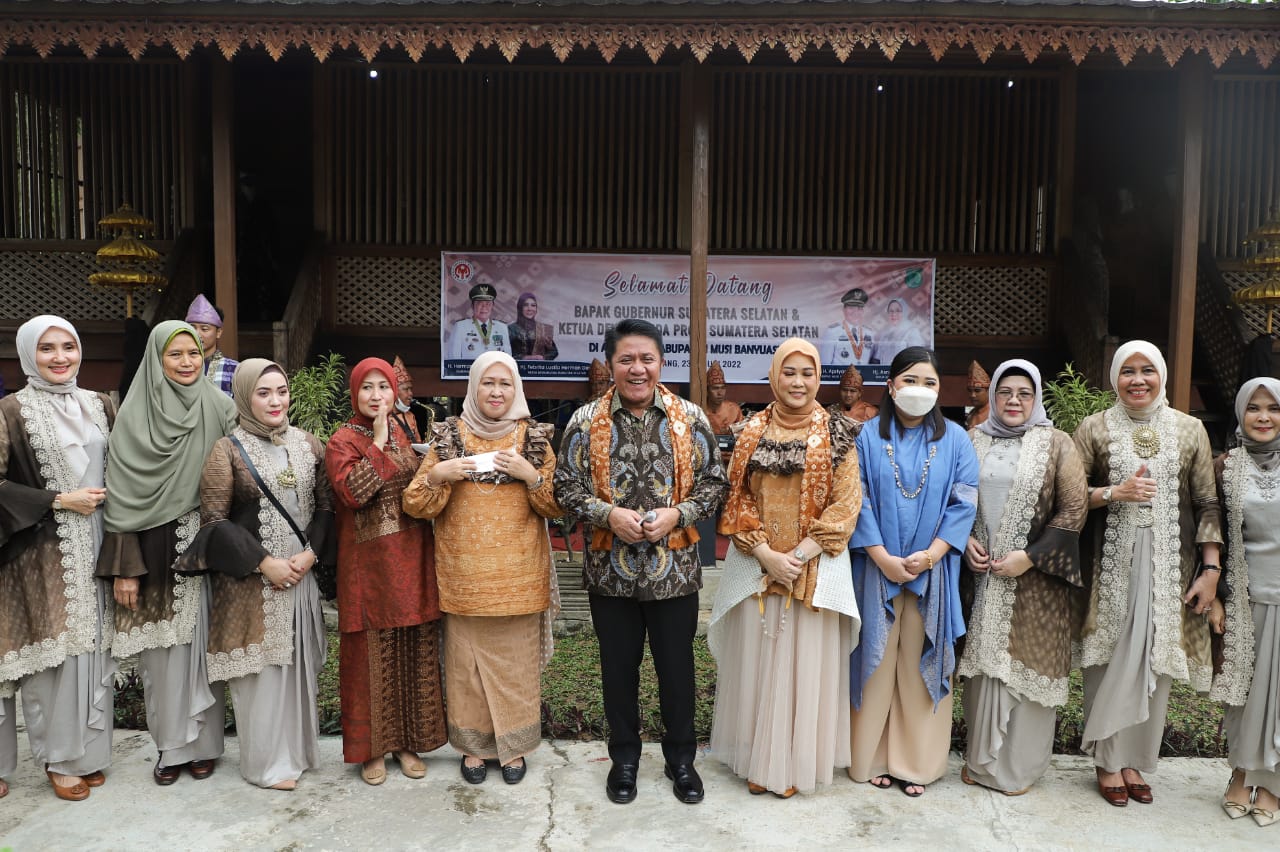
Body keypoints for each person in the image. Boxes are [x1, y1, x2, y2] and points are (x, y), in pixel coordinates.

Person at [554, 319, 728, 806]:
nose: (637, 369)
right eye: (626, 359)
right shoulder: (585, 420)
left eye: (646, 359)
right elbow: (564, 487)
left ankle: (681, 761)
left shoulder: (689, 417)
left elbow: (715, 483)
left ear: (661, 363)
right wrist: (606, 514)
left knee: (677, 672)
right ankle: (625, 759)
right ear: (611, 364)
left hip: (675, 571)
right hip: (610, 573)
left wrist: (678, 514)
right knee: (618, 671)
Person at [708, 339, 862, 798]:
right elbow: (736, 497)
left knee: (803, 667)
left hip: (812, 569)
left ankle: (794, 765)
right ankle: (758, 760)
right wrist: (766, 555)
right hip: (758, 568)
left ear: (818, 378)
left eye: (807, 373)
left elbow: (846, 504)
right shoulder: (750, 430)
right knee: (760, 664)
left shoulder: (838, 432)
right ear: (775, 377)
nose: (798, 382)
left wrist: (796, 558)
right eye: (789, 372)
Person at [1073, 340, 1222, 807]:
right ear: (1115, 378)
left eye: (1147, 370)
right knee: (1110, 656)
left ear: (1161, 375)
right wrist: (1113, 493)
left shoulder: (1190, 429)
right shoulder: (1094, 428)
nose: (1137, 380)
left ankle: (1135, 759)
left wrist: (1211, 570)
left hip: (1169, 568)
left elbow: (1207, 502)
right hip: (1108, 567)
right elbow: (1069, 496)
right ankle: (1107, 761)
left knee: (1155, 657)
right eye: (1127, 371)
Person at [404, 351, 561, 785]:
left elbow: (557, 505)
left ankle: (515, 748)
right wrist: (439, 474)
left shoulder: (533, 439)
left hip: (519, 578)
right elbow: (415, 503)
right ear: (473, 387)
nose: (496, 392)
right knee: (466, 668)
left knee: (516, 667)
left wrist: (531, 476)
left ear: (516, 389)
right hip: (464, 579)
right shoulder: (449, 437)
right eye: (488, 383)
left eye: (504, 383)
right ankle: (472, 749)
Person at [177, 359, 333, 790]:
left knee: (297, 670)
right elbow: (214, 520)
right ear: (245, 397)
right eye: (263, 393)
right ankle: (267, 765)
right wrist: (266, 563)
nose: (275, 401)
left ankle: (297, 754)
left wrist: (311, 554)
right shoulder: (227, 449)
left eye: (281, 391)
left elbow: (326, 506)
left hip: (300, 575)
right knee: (261, 677)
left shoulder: (309, 444)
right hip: (252, 584)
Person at [98, 320, 236, 785]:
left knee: (205, 649)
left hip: (209, 545)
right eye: (174, 354)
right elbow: (120, 496)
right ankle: (171, 748)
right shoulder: (133, 416)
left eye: (193, 353)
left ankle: (205, 747)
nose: (186, 362)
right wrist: (125, 569)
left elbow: (239, 469)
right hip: (153, 547)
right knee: (162, 655)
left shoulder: (220, 406)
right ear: (156, 360)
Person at [848, 345, 978, 797]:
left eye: (929, 383)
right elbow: (855, 499)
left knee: (918, 663)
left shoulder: (957, 440)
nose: (919, 390)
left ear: (939, 391)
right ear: (890, 386)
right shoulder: (865, 437)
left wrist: (932, 555)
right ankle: (870, 757)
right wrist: (882, 557)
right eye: (910, 380)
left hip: (933, 572)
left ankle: (916, 763)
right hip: (874, 568)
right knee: (875, 660)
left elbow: (964, 503)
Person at [0, 316, 118, 801]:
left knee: (94, 646)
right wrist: (57, 500)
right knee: (55, 655)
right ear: (29, 354)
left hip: (99, 539)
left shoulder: (100, 403)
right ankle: (60, 759)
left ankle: (87, 754)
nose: (60, 357)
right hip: (41, 550)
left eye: (68, 346)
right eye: (46, 348)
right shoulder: (11, 411)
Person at [958, 360, 1088, 795]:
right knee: (984, 669)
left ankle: (1016, 770)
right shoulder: (972, 440)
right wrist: (964, 541)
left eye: (1024, 393)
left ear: (1036, 399)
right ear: (993, 395)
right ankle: (980, 762)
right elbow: (952, 500)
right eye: (1005, 392)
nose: (1014, 401)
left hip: (1037, 581)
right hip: (981, 576)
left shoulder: (1057, 443)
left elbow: (1074, 510)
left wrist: (1029, 558)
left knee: (1026, 667)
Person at [326, 357, 446, 785]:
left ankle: (406, 743)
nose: (376, 396)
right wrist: (376, 442)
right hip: (368, 569)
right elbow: (353, 493)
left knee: (412, 651)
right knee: (370, 660)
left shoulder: (406, 428)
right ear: (354, 393)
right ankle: (372, 750)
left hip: (412, 559)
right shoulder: (342, 440)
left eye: (384, 387)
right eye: (367, 387)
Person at [1211, 377, 1280, 828]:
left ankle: (1272, 785)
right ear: (1240, 413)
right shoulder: (1225, 467)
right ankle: (1240, 773)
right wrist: (1216, 598)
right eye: (1253, 408)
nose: (1263, 417)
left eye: (1273, 408)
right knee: (1246, 695)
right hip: (1244, 599)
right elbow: (1210, 535)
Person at [186, 294, 238, 397]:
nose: (197, 333)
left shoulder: (234, 369)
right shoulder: (179, 366)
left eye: (204, 329)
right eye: (192, 327)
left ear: (218, 332)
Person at [447, 283, 511, 361]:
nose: (484, 307)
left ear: (492, 306)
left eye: (488, 304)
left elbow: (508, 358)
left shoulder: (502, 327)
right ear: (472, 306)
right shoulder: (460, 327)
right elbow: (453, 358)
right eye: (479, 303)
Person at [390, 356, 440, 442]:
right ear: (394, 391)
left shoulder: (410, 416)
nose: (411, 393)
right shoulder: (382, 418)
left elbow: (417, 442)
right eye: (406, 389)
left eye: (411, 389)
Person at [819, 288, 874, 366]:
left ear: (863, 311)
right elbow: (825, 364)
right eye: (851, 308)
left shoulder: (869, 333)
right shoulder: (832, 332)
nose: (855, 312)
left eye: (859, 308)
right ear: (843, 310)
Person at [870, 298, 926, 365]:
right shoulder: (885, 334)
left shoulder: (912, 332)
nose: (893, 314)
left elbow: (917, 358)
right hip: (885, 371)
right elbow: (877, 359)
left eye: (898, 310)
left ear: (905, 312)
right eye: (891, 311)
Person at [510, 292, 559, 361]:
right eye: (525, 305)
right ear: (520, 308)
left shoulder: (543, 329)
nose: (529, 309)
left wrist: (543, 358)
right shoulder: (511, 329)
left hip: (538, 367)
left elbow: (553, 352)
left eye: (533, 305)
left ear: (536, 309)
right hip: (516, 367)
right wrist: (526, 358)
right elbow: (506, 353)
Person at [704, 361, 744, 436]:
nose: (720, 393)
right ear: (707, 390)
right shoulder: (700, 410)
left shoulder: (734, 410)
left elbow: (742, 435)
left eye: (723, 388)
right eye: (715, 388)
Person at [965, 360, 992, 430]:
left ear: (989, 390)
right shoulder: (971, 414)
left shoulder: (996, 415)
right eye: (970, 391)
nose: (972, 395)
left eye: (977, 391)